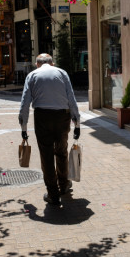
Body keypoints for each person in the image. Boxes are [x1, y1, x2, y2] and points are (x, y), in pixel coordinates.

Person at [18, 53, 81, 205]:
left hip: (42, 118)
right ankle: (64, 185)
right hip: (62, 117)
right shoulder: (62, 73)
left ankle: (53, 194)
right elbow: (71, 98)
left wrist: (24, 128)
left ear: (37, 64)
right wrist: (77, 123)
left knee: (46, 155)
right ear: (52, 63)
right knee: (61, 152)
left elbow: (25, 103)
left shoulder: (32, 75)